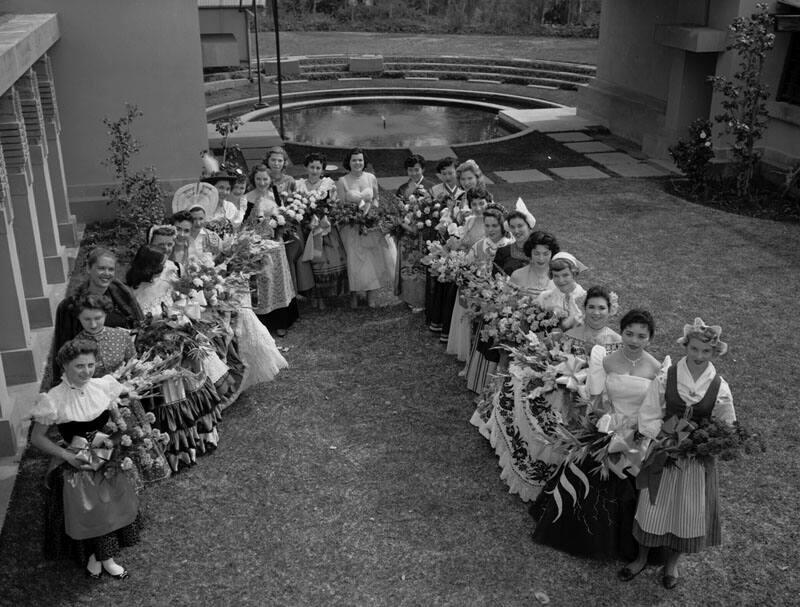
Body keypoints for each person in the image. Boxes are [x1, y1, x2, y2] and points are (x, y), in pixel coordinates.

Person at [531, 309, 666, 561]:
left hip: (637, 436)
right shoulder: (607, 360)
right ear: (621, 333)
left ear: (650, 338)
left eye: (641, 336)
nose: (634, 341)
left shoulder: (657, 368)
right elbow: (597, 398)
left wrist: (635, 432)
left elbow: (655, 409)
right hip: (605, 429)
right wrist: (605, 426)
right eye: (629, 334)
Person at [620, 318, 735, 589]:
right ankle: (641, 558)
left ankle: (672, 564)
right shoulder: (668, 375)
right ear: (686, 346)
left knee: (687, 512)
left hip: (694, 461)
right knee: (652, 507)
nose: (698, 356)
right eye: (694, 349)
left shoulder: (719, 387)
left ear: (714, 353)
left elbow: (726, 424)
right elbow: (649, 411)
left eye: (705, 352)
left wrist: (706, 442)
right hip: (664, 453)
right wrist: (661, 437)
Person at [30, 339, 140, 579]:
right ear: (64, 367)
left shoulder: (102, 386)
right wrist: (65, 455)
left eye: (90, 365)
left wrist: (117, 433)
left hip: (106, 456)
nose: (86, 371)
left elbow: (116, 418)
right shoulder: (54, 398)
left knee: (110, 505)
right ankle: (96, 555)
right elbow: (37, 438)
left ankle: (104, 557)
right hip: (77, 462)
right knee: (91, 510)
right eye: (79, 366)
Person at [72, 292, 171, 484]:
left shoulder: (120, 335)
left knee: (134, 436)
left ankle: (147, 472)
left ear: (106, 314)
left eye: (98, 318)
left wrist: (130, 383)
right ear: (79, 318)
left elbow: (132, 362)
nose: (93, 324)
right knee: (105, 443)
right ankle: (114, 483)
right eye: (87, 319)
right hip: (96, 405)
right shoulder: (75, 346)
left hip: (126, 399)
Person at [42, 247, 144, 391]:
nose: (107, 274)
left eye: (111, 269)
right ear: (89, 269)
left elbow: (139, 324)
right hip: (90, 379)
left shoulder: (122, 294)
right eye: (101, 268)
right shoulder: (70, 306)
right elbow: (63, 349)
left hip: (123, 373)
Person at [242, 164, 299, 337]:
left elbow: (282, 215)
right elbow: (243, 224)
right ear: (253, 180)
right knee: (263, 282)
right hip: (257, 247)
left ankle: (282, 321)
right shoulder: (247, 198)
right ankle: (264, 322)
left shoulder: (274, 194)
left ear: (270, 180)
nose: (262, 182)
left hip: (276, 244)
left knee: (279, 280)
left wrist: (280, 227)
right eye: (258, 179)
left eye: (265, 179)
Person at [336, 147, 397, 309]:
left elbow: (376, 199)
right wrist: (355, 216)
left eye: (360, 160)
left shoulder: (371, 178)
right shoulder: (342, 181)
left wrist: (373, 214)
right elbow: (341, 205)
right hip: (351, 227)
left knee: (372, 260)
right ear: (348, 162)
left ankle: (371, 295)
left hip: (370, 226)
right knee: (354, 261)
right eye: (354, 160)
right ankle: (354, 296)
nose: (358, 163)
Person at [296, 152, 348, 308]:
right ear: (306, 167)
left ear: (322, 170)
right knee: (310, 262)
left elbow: (335, 204)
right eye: (311, 167)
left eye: (318, 167)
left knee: (325, 261)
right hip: (307, 229)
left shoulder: (328, 184)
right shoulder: (299, 185)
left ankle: (328, 295)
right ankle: (314, 297)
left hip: (325, 229)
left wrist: (326, 216)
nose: (314, 170)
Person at [394, 154, 438, 311]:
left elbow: (435, 212)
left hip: (423, 234)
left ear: (423, 169)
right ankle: (408, 297)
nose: (413, 173)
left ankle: (421, 300)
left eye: (417, 169)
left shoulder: (431, 187)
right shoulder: (403, 188)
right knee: (408, 266)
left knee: (420, 266)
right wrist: (402, 224)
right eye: (410, 170)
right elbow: (397, 209)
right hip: (407, 234)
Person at [426, 157, 465, 332]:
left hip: (459, 235)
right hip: (440, 235)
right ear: (439, 175)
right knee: (439, 272)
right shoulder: (435, 190)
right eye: (444, 174)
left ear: (457, 172)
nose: (448, 176)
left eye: (451, 172)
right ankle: (436, 312)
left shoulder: (463, 189)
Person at [536, 252, 587, 329]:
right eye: (556, 276)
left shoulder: (587, 299)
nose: (561, 280)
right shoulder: (544, 297)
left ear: (574, 274)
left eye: (565, 275)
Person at [565, 285, 623, 354]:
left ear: (610, 310)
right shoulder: (569, 337)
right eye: (591, 307)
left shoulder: (618, 343)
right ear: (584, 308)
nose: (596, 313)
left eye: (602, 308)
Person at [510, 231, 560, 297]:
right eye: (536, 254)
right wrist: (517, 296)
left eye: (546, 254)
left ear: (552, 254)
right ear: (530, 253)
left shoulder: (561, 277)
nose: (541, 258)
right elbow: (506, 302)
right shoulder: (517, 276)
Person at [493, 202, 536, 276]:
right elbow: (495, 278)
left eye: (520, 226)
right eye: (512, 227)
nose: (516, 231)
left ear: (529, 227)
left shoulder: (540, 251)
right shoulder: (503, 252)